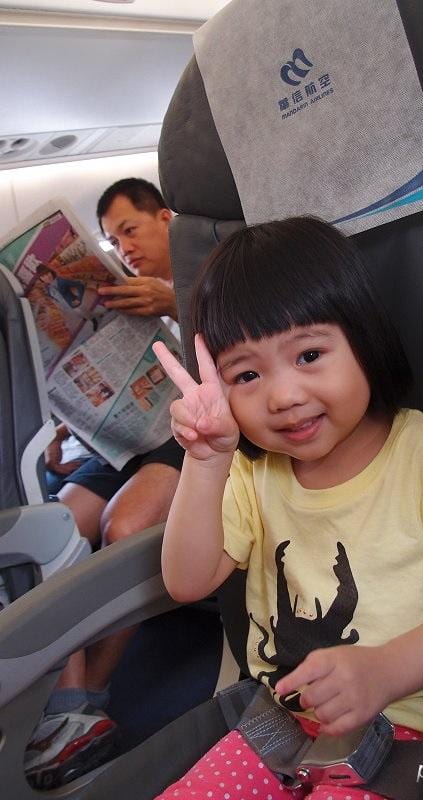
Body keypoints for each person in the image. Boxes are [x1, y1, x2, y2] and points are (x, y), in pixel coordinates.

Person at [151, 216, 423, 800]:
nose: (283, 396)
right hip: (283, 726)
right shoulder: (253, 473)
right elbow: (187, 581)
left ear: (364, 340)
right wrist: (206, 463)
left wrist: (385, 670)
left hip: (420, 729)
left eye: (309, 354)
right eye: (247, 374)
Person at [25, 179, 184, 790]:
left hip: (177, 432)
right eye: (113, 241)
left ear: (165, 218)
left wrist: (174, 301)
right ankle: (67, 697)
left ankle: (89, 696)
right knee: (53, 530)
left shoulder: (209, 273)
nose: (124, 248)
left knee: (125, 527)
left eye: (131, 230)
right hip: (116, 441)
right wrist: (64, 433)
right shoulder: (115, 292)